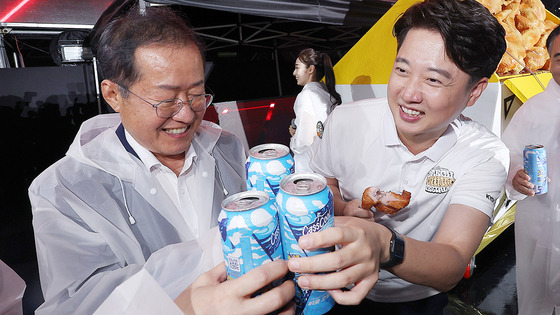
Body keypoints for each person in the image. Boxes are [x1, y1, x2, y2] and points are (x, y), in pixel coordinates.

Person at [28, 5, 294, 315]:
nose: (185, 114)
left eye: (196, 94)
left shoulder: (226, 147)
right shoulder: (63, 189)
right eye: (165, 100)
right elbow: (79, 305)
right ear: (113, 94)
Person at [286, 0, 509, 313]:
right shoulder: (346, 121)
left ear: (474, 92)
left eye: (433, 79)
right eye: (402, 70)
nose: (409, 93)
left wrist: (384, 244)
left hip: (415, 297)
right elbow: (327, 186)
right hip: (337, 283)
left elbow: (453, 261)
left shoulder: (484, 154)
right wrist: (347, 207)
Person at [501, 25, 560, 315]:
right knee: (534, 297)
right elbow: (507, 152)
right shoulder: (533, 109)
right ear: (549, 61)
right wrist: (515, 174)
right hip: (537, 219)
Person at [289, 48, 341, 173]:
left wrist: (294, 136)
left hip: (310, 166)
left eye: (297, 68)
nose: (294, 73)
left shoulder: (306, 95)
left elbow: (304, 141)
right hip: (329, 162)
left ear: (311, 69)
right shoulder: (326, 93)